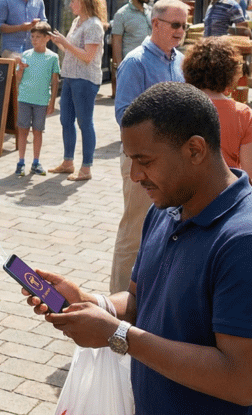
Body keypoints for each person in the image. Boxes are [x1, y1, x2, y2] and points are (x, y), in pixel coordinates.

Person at [23, 82, 252, 415]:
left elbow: (240, 380)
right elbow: (139, 298)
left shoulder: (242, 241)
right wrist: (92, 302)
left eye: (144, 161)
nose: (134, 175)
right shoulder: (164, 209)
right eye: (131, 160)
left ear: (195, 150)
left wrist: (118, 335)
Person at [109, 0, 187, 293]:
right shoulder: (136, 62)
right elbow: (124, 115)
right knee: (136, 230)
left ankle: (149, 295)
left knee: (165, 229)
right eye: (175, 24)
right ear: (156, 24)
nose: (181, 31)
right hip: (143, 160)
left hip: (174, 159)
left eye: (184, 25)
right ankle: (117, 301)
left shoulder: (179, 60)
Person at [49, 0, 107, 182]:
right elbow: (72, 51)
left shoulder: (94, 25)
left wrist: (65, 43)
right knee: (66, 120)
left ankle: (86, 167)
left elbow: (87, 57)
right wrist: (59, 42)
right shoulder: (77, 21)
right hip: (70, 76)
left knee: (84, 122)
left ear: (83, 2)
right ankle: (68, 162)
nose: (70, 4)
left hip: (85, 79)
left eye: (73, 1)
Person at [183, 37, 252, 176]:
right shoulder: (243, 114)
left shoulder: (180, 108)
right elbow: (248, 172)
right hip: (229, 187)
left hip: (189, 186)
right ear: (231, 72)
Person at [14, 21, 60, 177]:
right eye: (32, 36)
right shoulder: (26, 55)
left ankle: (35, 162)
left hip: (41, 100)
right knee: (23, 130)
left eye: (38, 37)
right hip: (24, 98)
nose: (34, 40)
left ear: (47, 38)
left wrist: (52, 102)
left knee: (38, 131)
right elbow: (18, 78)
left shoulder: (53, 57)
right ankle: (21, 162)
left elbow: (55, 81)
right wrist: (20, 69)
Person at [111, 0, 153, 69]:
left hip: (150, 63)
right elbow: (116, 41)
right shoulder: (122, 14)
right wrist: (118, 66)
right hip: (132, 65)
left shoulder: (150, 11)